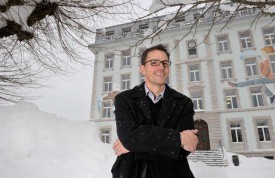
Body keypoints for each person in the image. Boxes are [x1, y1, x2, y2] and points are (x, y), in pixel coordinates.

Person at [111, 44, 198, 178]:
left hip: (172, 173)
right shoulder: (124, 99)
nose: (161, 67)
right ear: (142, 69)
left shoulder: (183, 102)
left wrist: (133, 146)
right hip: (131, 171)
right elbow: (129, 137)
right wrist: (178, 138)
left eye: (165, 63)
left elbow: (184, 149)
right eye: (154, 63)